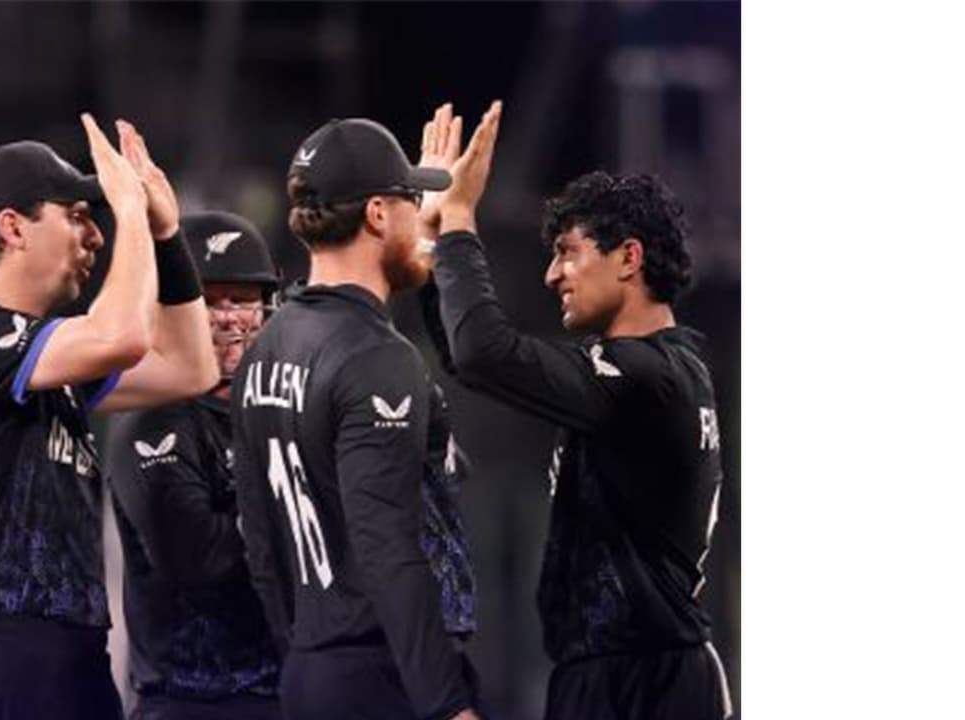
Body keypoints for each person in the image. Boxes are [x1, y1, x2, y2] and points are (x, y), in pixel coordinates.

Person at [421, 100, 732, 720]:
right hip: (622, 671)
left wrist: (458, 221)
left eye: (568, 252)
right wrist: (434, 249)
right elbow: (474, 358)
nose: (551, 274)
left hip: (644, 682)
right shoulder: (648, 370)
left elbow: (486, 353)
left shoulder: (648, 378)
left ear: (629, 258)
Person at [0, 114, 218, 720]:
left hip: (70, 660)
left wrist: (165, 235)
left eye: (98, 218)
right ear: (13, 227)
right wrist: (129, 210)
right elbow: (124, 334)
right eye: (77, 216)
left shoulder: (44, 361)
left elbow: (190, 368)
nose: (97, 237)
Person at [230, 116, 481, 720]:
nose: (420, 217)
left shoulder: (264, 349)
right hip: (386, 671)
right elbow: (388, 547)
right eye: (409, 200)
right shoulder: (375, 355)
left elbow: (261, 546)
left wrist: (306, 656)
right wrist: (448, 705)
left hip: (314, 667)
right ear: (376, 213)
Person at [102, 211, 284, 720]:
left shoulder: (282, 411)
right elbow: (201, 564)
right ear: (172, 310)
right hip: (191, 702)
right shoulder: (150, 419)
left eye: (243, 300)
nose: (228, 317)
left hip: (287, 697)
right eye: (209, 300)